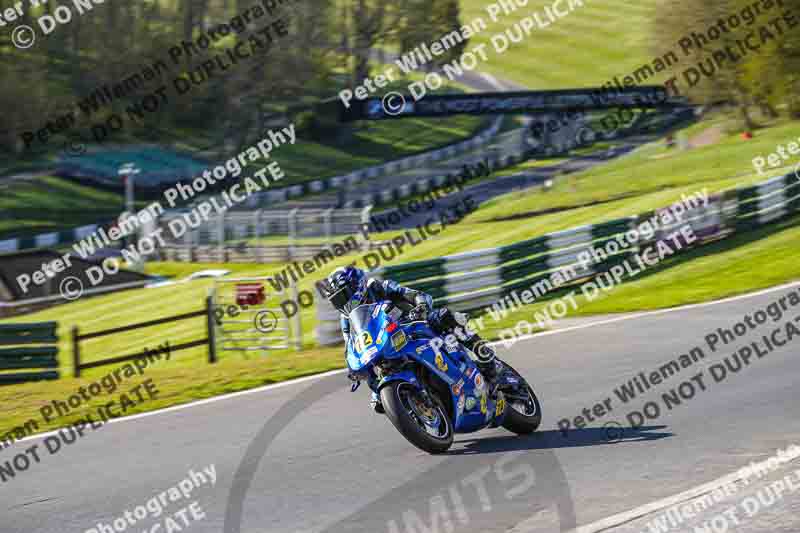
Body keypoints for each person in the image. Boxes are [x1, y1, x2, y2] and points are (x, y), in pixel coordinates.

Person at [319, 266, 498, 413]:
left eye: (345, 294)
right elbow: (351, 345)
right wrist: (352, 367)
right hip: (386, 346)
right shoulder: (347, 320)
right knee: (375, 389)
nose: (343, 302)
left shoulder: (379, 287)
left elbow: (415, 295)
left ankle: (487, 360)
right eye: (337, 300)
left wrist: (420, 306)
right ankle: (415, 407)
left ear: (357, 285)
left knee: (445, 317)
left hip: (412, 326)